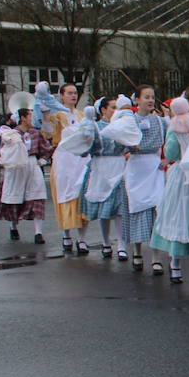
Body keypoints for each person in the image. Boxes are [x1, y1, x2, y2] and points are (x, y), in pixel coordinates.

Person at [149, 87, 189, 283]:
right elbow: (170, 154)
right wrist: (176, 135)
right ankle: (175, 262)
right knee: (180, 216)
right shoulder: (178, 123)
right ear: (187, 102)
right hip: (183, 177)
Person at [117, 85, 168, 275]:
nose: (150, 100)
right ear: (136, 100)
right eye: (146, 97)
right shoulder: (129, 120)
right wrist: (129, 149)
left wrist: (166, 159)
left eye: (152, 97)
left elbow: (170, 142)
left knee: (156, 211)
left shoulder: (160, 121)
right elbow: (119, 143)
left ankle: (156, 256)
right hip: (136, 168)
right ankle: (137, 251)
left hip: (154, 168)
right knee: (137, 210)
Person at [41, 83, 92, 254]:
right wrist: (44, 112)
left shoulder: (82, 115)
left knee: (82, 197)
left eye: (75, 93)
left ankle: (82, 239)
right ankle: (66, 234)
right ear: (61, 96)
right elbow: (47, 131)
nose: (73, 96)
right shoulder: (57, 115)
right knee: (65, 196)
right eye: (69, 93)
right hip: (64, 160)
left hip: (81, 160)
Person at [80, 96, 129, 259]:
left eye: (117, 108)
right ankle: (106, 242)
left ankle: (121, 244)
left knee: (120, 208)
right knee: (104, 209)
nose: (116, 111)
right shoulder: (96, 127)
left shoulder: (121, 126)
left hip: (118, 166)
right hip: (101, 167)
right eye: (113, 107)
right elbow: (85, 149)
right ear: (103, 110)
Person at [0, 110, 51, 242]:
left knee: (37, 196)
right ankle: (13, 227)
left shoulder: (36, 133)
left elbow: (47, 149)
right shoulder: (10, 134)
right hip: (16, 167)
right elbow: (1, 153)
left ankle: (38, 233)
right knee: (15, 199)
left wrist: (43, 160)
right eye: (30, 116)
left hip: (32, 164)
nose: (33, 118)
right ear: (23, 118)